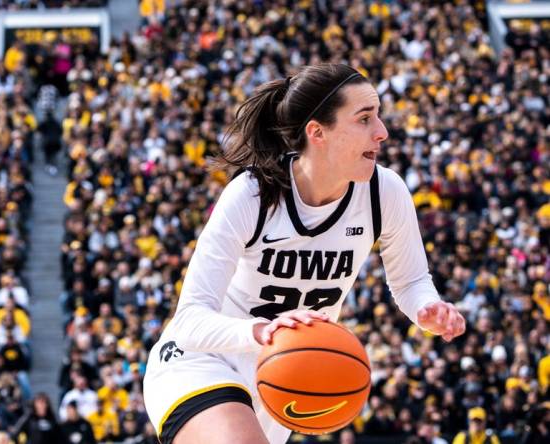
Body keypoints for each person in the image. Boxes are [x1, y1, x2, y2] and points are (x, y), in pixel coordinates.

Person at [142, 64, 467, 444]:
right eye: (364, 118)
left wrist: (427, 307)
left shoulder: (385, 192)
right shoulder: (253, 195)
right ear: (318, 132)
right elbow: (189, 322)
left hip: (286, 376)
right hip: (203, 361)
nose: (382, 131)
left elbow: (411, 281)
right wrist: (262, 331)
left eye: (378, 116)